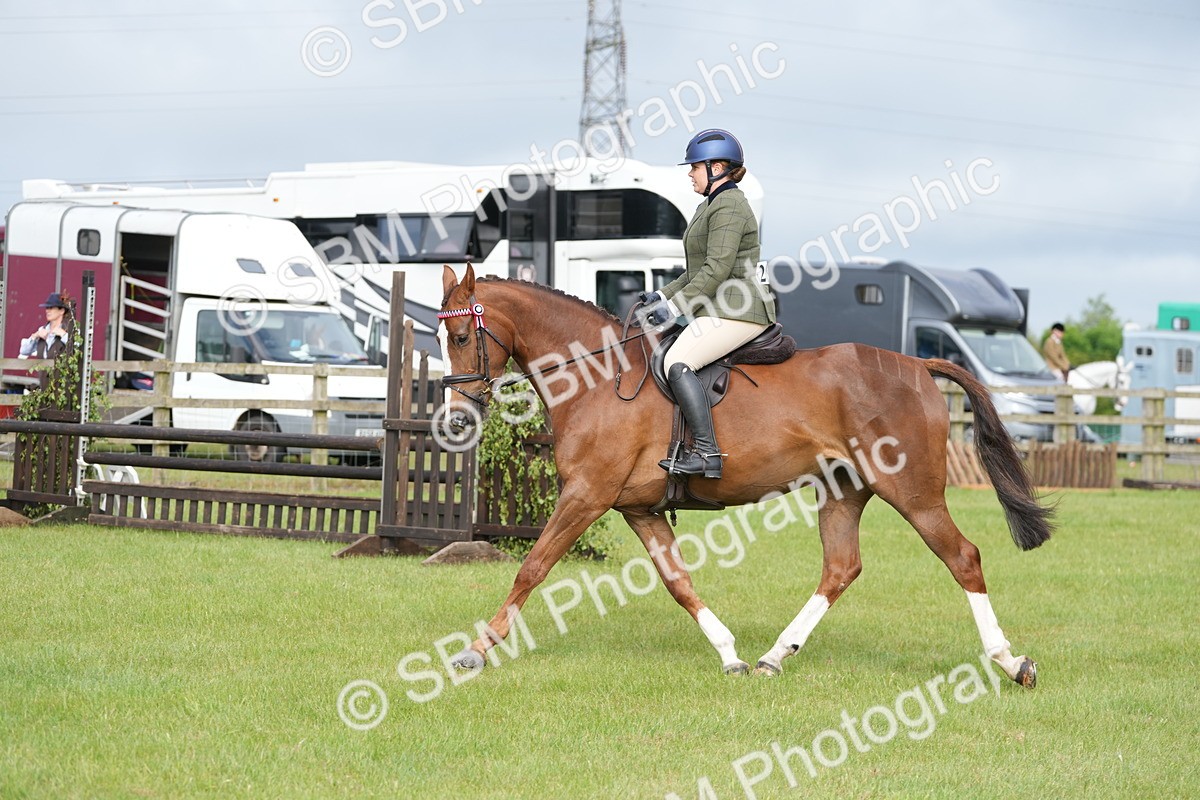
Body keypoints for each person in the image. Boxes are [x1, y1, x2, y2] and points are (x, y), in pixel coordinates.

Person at [640, 129, 776, 479]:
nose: (690, 173)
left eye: (695, 167)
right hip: (719, 306)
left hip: (739, 309)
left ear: (717, 167)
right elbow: (696, 271)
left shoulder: (731, 204)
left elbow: (716, 270)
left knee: (677, 361)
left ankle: (706, 454)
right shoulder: (710, 205)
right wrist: (662, 295)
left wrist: (674, 308)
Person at [18, 292, 76, 390]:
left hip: (63, 390)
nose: (47, 311)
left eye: (51, 308)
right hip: (43, 387)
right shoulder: (42, 330)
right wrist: (35, 335)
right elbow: (24, 351)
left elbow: (77, 348)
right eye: (47, 308)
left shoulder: (70, 331)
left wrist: (63, 335)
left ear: (61, 310)